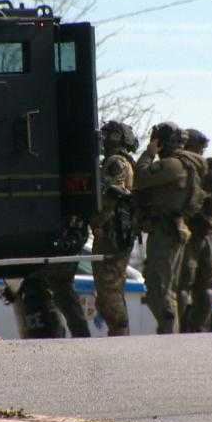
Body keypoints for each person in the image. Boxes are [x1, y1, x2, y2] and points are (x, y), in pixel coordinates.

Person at [134, 122, 205, 334]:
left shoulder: (173, 165)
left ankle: (168, 331)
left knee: (159, 287)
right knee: (162, 285)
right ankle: (168, 331)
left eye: (155, 139)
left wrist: (148, 154)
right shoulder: (179, 163)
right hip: (167, 229)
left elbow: (140, 178)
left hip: (166, 231)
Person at [89, 120, 138, 336]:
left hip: (112, 231)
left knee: (109, 288)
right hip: (116, 229)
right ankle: (119, 333)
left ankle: (120, 334)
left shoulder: (116, 162)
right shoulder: (123, 161)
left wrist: (98, 222)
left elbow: (111, 196)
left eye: (107, 135)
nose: (103, 139)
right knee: (111, 288)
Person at [177, 128, 212, 333]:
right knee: (184, 284)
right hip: (188, 232)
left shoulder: (202, 168)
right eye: (199, 149)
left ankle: (196, 328)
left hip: (205, 233)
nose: (201, 153)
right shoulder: (182, 167)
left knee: (205, 286)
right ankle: (186, 327)